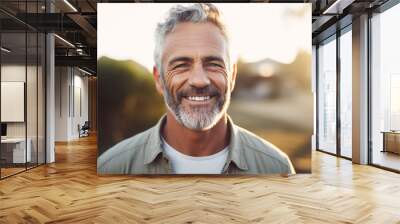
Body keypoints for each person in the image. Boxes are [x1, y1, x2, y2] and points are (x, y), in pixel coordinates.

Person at [97, 3, 295, 175]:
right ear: (159, 79)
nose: (199, 81)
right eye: (181, 65)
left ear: (232, 75)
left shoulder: (277, 167)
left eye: (214, 63)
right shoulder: (112, 165)